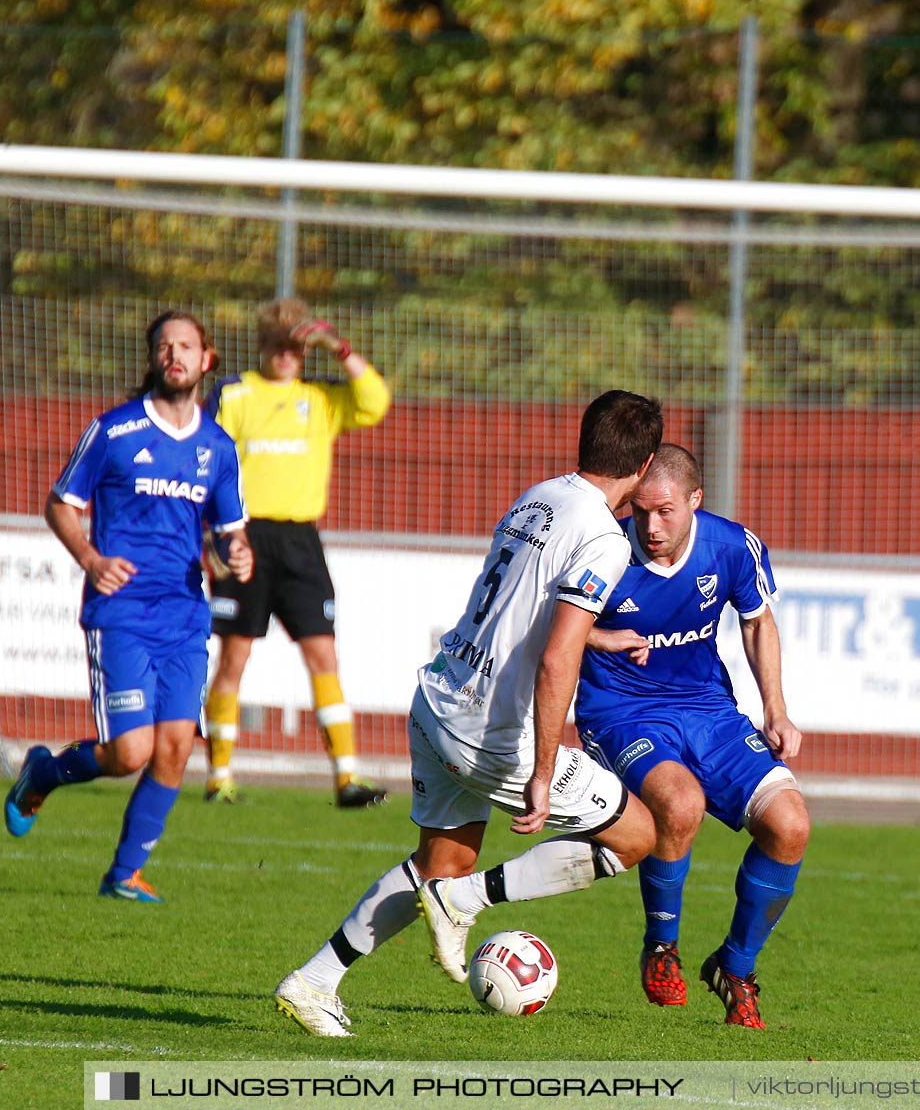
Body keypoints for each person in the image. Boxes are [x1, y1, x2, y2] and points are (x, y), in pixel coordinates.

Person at [272, 390, 665, 1038]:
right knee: (636, 834)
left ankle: (314, 981)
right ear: (644, 464)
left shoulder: (541, 496)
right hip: (487, 730)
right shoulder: (602, 535)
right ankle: (467, 901)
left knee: (439, 864)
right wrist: (542, 771)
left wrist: (597, 635)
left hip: (439, 697)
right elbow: (555, 657)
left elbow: (522, 609)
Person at [5, 311, 253, 904]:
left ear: (206, 360)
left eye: (187, 346)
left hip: (184, 615)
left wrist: (237, 552)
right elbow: (61, 504)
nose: (176, 354)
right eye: (165, 346)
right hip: (119, 611)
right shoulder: (115, 432)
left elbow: (228, 529)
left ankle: (123, 875)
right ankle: (43, 772)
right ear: (153, 359)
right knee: (129, 752)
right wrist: (91, 559)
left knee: (174, 748)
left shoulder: (218, 447)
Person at [574, 443, 809, 1029]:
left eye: (666, 512)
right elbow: (550, 631)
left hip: (707, 708)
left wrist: (775, 710)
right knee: (681, 804)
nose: (650, 527)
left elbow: (757, 623)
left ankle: (735, 966)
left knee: (791, 825)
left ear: (695, 501)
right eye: (641, 511)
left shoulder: (732, 546)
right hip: (621, 711)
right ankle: (661, 947)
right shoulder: (602, 551)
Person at [202, 298, 391, 808]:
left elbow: (375, 402)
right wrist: (211, 535)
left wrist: (340, 348)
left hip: (301, 541)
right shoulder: (235, 394)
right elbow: (207, 462)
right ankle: (219, 777)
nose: (286, 357)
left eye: (296, 348)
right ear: (262, 346)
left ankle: (346, 779)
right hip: (245, 536)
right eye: (278, 346)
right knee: (234, 656)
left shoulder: (321, 398)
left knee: (323, 655)